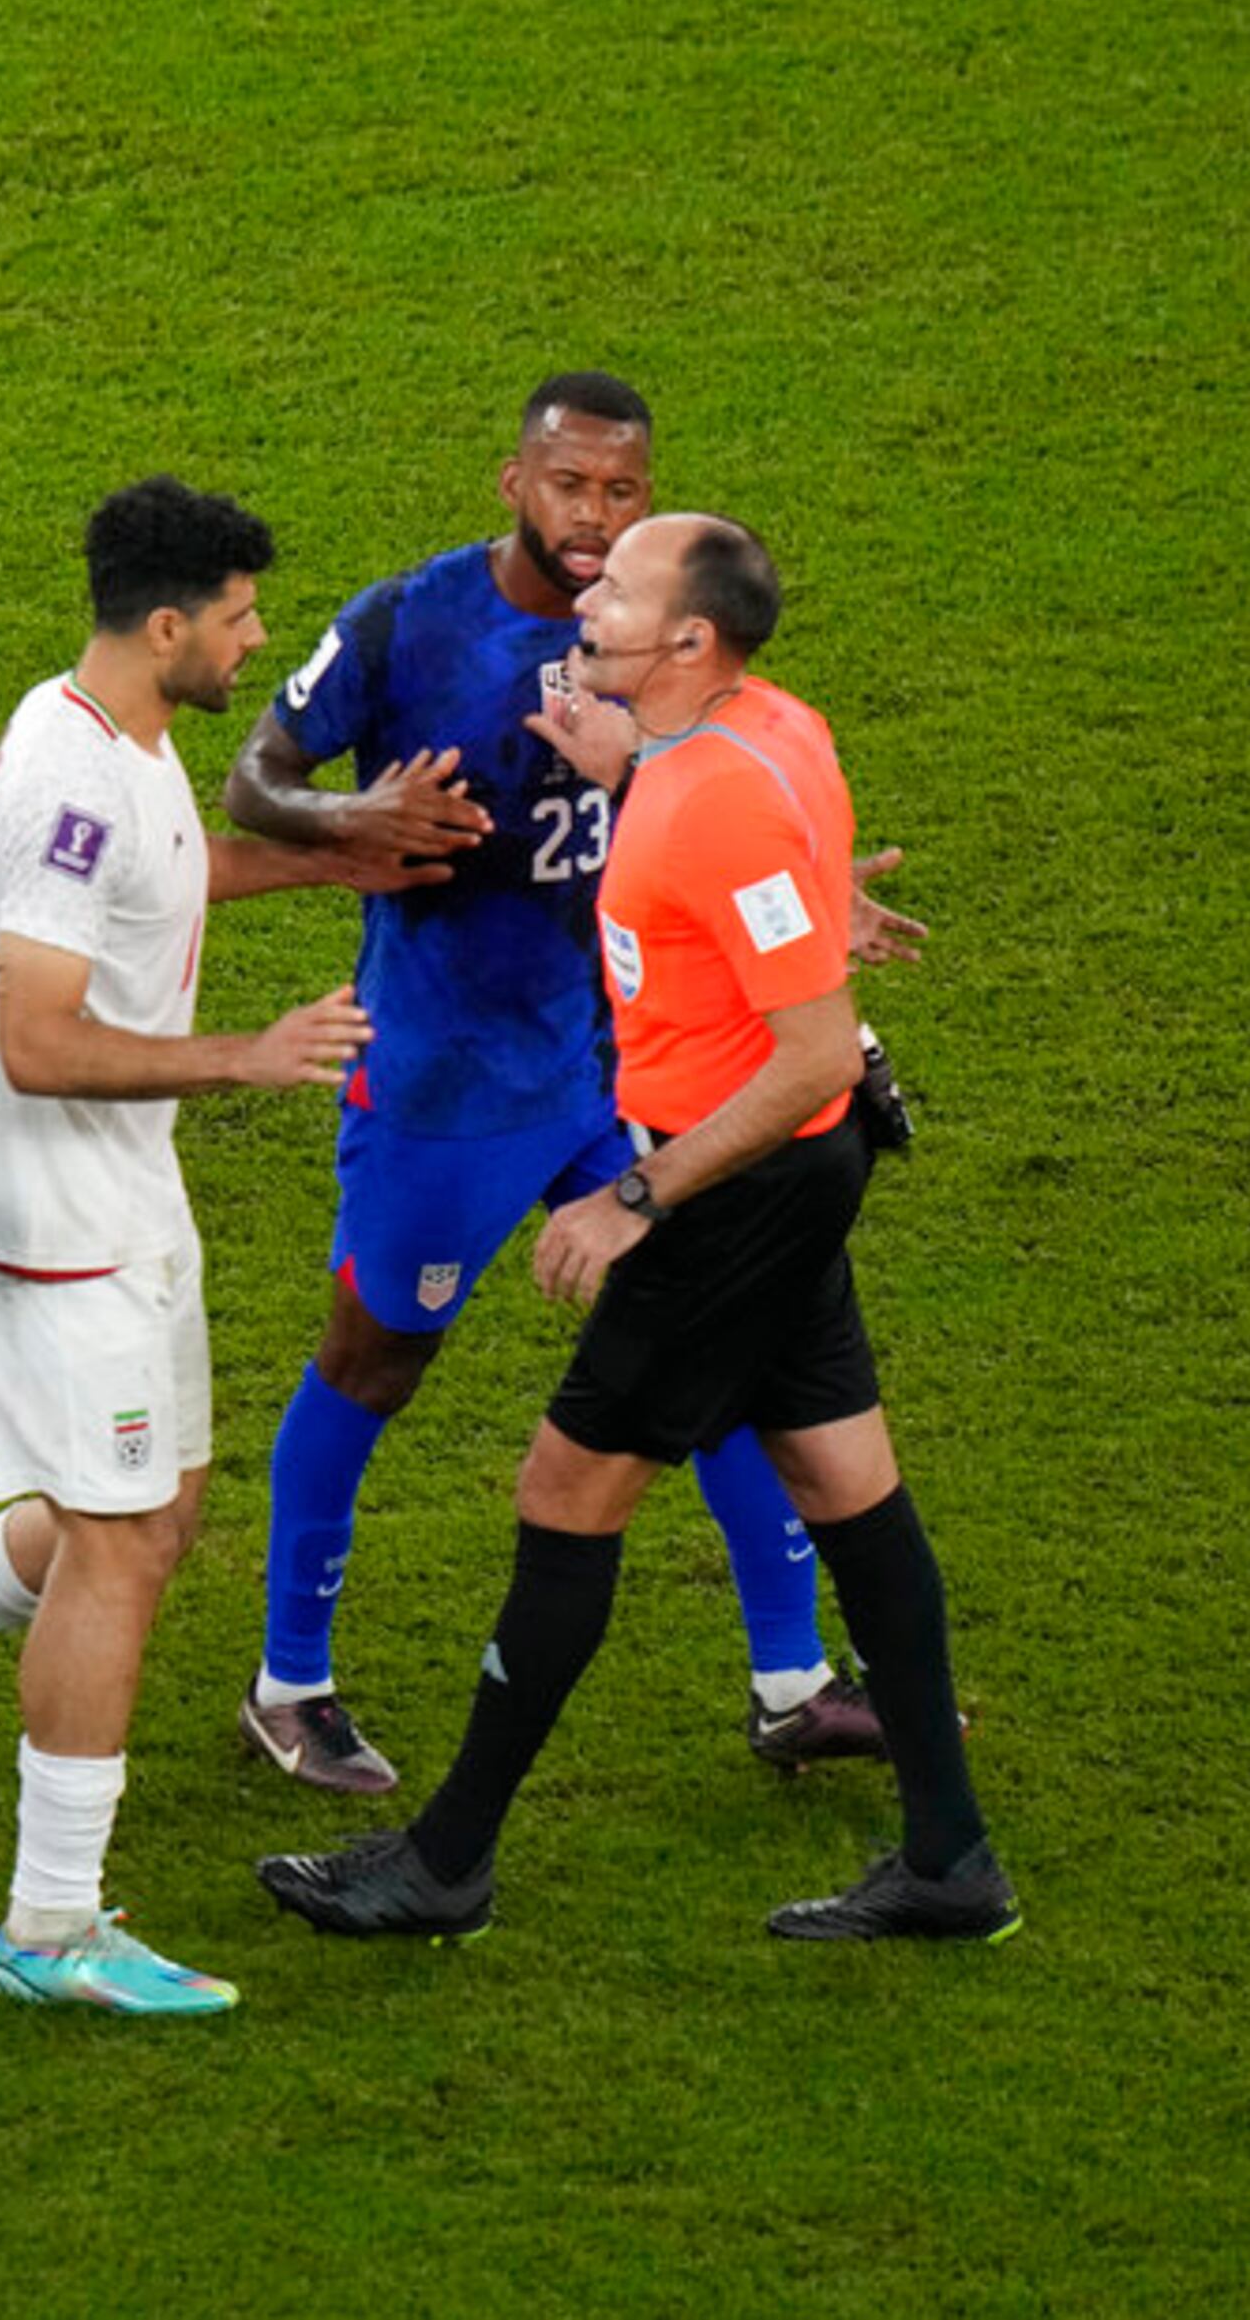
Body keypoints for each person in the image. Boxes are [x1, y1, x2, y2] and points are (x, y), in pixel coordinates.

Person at [258, 515, 1017, 1945]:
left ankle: (445, 1862)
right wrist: (650, 779)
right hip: (794, 1170)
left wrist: (635, 1198)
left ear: (687, 639)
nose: (587, 595)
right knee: (851, 1488)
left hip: (732, 1188)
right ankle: (951, 1859)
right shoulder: (765, 727)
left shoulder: (701, 804)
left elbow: (810, 1045)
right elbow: (767, 880)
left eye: (619, 589)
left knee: (565, 1493)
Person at [217, 375, 902, 1792]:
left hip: (618, 1068)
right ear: (512, 484)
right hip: (446, 1084)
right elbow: (254, 776)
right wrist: (351, 814)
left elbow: (716, 790)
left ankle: (792, 1681)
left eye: (623, 491)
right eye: (571, 485)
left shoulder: (659, 636)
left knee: (716, 1341)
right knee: (375, 1358)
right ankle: (288, 1683)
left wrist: (814, 896)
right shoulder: (410, 622)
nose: (595, 516)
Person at [0, 477, 403, 2015]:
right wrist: (246, 1053)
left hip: (124, 1199)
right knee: (115, 1545)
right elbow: (38, 1041)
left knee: (150, 1516)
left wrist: (341, 856)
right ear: (168, 624)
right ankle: (48, 1925)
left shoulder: (132, 740)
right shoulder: (68, 782)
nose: (257, 640)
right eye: (241, 617)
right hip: (49, 1223)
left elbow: (168, 872)